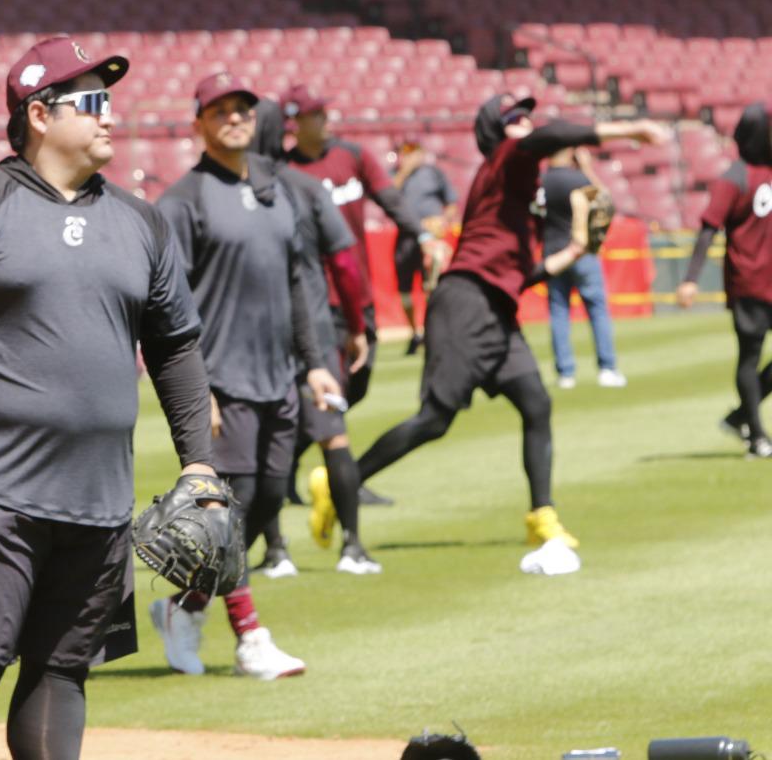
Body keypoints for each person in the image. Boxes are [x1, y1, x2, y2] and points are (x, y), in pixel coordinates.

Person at [0, 35, 216, 758]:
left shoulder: (141, 221)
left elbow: (174, 347)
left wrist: (198, 463)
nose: (111, 117)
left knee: (64, 671)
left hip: (99, 497)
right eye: (92, 102)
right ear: (39, 113)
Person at [353, 96, 669, 570]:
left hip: (496, 307)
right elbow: (549, 136)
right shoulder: (507, 157)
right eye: (513, 119)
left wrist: (577, 248)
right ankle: (342, 482)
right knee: (435, 420)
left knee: (536, 403)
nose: (524, 123)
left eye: (526, 116)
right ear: (497, 134)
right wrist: (628, 129)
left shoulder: (517, 187)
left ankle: (542, 515)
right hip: (465, 303)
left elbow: (520, 273)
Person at [147, 73, 338, 682]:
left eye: (243, 108)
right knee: (227, 514)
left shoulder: (277, 190)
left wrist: (313, 365)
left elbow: (297, 284)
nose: (234, 117)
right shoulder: (184, 199)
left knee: (265, 500)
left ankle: (184, 603)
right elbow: (167, 305)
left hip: (278, 376)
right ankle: (250, 637)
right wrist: (193, 389)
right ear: (198, 123)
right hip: (222, 379)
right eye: (220, 110)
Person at [283, 86, 444, 508]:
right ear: (295, 123)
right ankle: (343, 480)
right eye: (314, 115)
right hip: (316, 302)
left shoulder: (353, 156)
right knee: (331, 390)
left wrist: (422, 234)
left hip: (359, 293)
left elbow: (390, 198)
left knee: (359, 385)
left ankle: (287, 460)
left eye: (323, 112)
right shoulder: (285, 171)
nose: (324, 120)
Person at [248, 98, 379, 577]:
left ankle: (276, 550)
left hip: (256, 333)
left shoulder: (231, 192)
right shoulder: (303, 186)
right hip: (316, 326)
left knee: (265, 441)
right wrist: (357, 325)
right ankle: (353, 547)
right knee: (334, 438)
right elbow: (344, 262)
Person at [677, 101, 772, 459]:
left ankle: (738, 417)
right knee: (749, 357)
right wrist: (690, 279)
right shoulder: (734, 178)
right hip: (749, 283)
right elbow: (708, 229)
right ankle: (757, 436)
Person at [540, 146, 625, 389]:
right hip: (581, 251)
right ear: (570, 153)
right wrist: (587, 168)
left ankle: (566, 373)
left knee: (558, 312)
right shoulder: (577, 178)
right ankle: (607, 368)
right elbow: (604, 200)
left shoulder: (541, 181)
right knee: (597, 309)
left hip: (553, 253)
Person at [392, 136, 458, 354]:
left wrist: (443, 222)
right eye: (406, 152)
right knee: (405, 291)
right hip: (406, 238)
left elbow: (451, 203)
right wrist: (404, 171)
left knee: (433, 286)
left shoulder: (432, 173)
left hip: (430, 238)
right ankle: (415, 333)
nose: (411, 156)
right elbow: (388, 197)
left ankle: (436, 331)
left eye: (414, 152)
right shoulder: (395, 174)